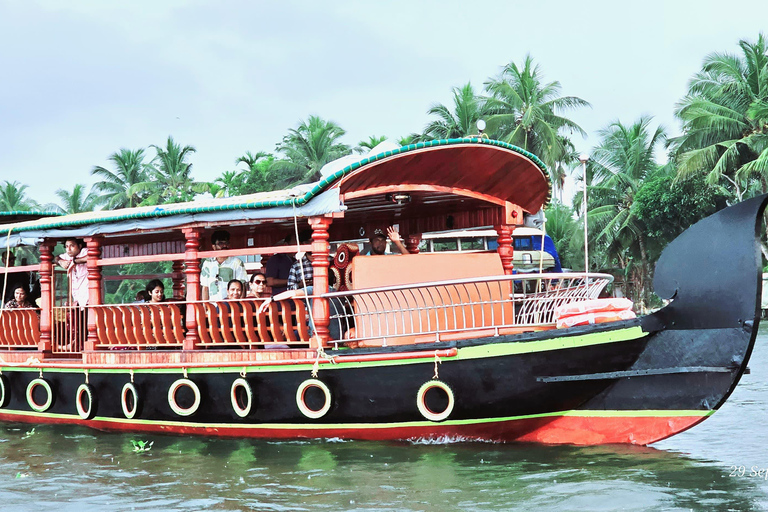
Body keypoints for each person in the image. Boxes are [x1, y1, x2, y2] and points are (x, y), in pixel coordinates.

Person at [200, 230, 248, 301]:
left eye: (226, 243)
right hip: (212, 306)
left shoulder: (236, 263)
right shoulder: (207, 263)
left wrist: (240, 306)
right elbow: (205, 287)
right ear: (214, 246)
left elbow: (242, 286)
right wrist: (205, 308)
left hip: (231, 306)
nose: (224, 246)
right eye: (220, 243)